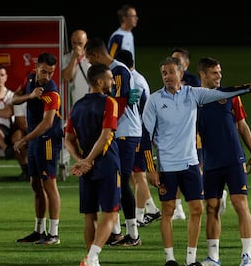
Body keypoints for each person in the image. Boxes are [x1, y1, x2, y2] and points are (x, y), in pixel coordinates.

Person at [142, 56, 251, 266]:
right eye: (164, 73)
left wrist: (248, 88)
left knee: (213, 208)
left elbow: (233, 108)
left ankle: (226, 256)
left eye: (171, 72)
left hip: (209, 162)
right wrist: (151, 166)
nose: (167, 77)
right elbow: (148, 135)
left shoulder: (200, 95)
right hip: (188, 164)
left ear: (181, 73)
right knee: (186, 209)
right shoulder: (165, 100)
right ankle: (185, 259)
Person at [196, 57, 251, 266]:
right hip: (211, 162)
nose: (219, 76)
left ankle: (247, 255)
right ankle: (213, 257)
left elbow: (242, 125)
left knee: (240, 204)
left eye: (220, 72)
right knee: (211, 208)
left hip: (233, 159)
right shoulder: (195, 99)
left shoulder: (231, 97)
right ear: (203, 75)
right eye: (214, 73)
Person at [64, 63, 121, 266]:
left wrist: (80, 160)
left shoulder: (77, 106)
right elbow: (107, 135)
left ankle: (93, 265)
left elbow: (68, 139)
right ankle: (92, 257)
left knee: (90, 215)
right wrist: (88, 160)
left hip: (86, 168)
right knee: (111, 213)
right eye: (109, 79)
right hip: (106, 164)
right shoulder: (110, 102)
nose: (112, 82)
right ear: (99, 82)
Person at [85, 37, 142, 246]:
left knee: (123, 180)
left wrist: (105, 124)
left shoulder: (118, 71)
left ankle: (133, 234)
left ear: (97, 54)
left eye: (90, 58)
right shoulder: (112, 72)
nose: (90, 63)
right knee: (114, 180)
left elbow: (120, 103)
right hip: (117, 132)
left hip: (125, 132)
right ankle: (116, 231)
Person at [13, 52, 63, 245]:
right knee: (35, 184)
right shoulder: (30, 78)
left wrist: (24, 139)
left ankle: (53, 233)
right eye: (44, 72)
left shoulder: (51, 90)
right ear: (36, 68)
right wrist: (30, 95)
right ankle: (39, 230)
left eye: (51, 73)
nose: (47, 77)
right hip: (35, 138)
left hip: (48, 139)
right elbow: (14, 100)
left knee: (49, 184)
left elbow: (48, 123)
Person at [115, 49, 161, 227]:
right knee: (136, 174)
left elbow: (141, 109)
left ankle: (140, 216)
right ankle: (150, 209)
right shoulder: (137, 78)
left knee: (139, 174)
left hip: (138, 132)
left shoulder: (134, 81)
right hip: (140, 131)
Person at [170, 47, 201, 221]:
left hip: (194, 132)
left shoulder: (193, 82)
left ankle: (219, 194)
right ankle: (178, 207)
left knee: (196, 169)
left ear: (186, 65)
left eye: (178, 61)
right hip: (175, 133)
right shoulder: (169, 80)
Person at [61, 29, 91, 106]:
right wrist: (74, 57)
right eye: (74, 43)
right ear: (70, 41)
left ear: (86, 42)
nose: (77, 46)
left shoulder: (91, 59)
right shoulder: (65, 58)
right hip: (72, 105)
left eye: (80, 43)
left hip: (89, 103)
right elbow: (67, 77)